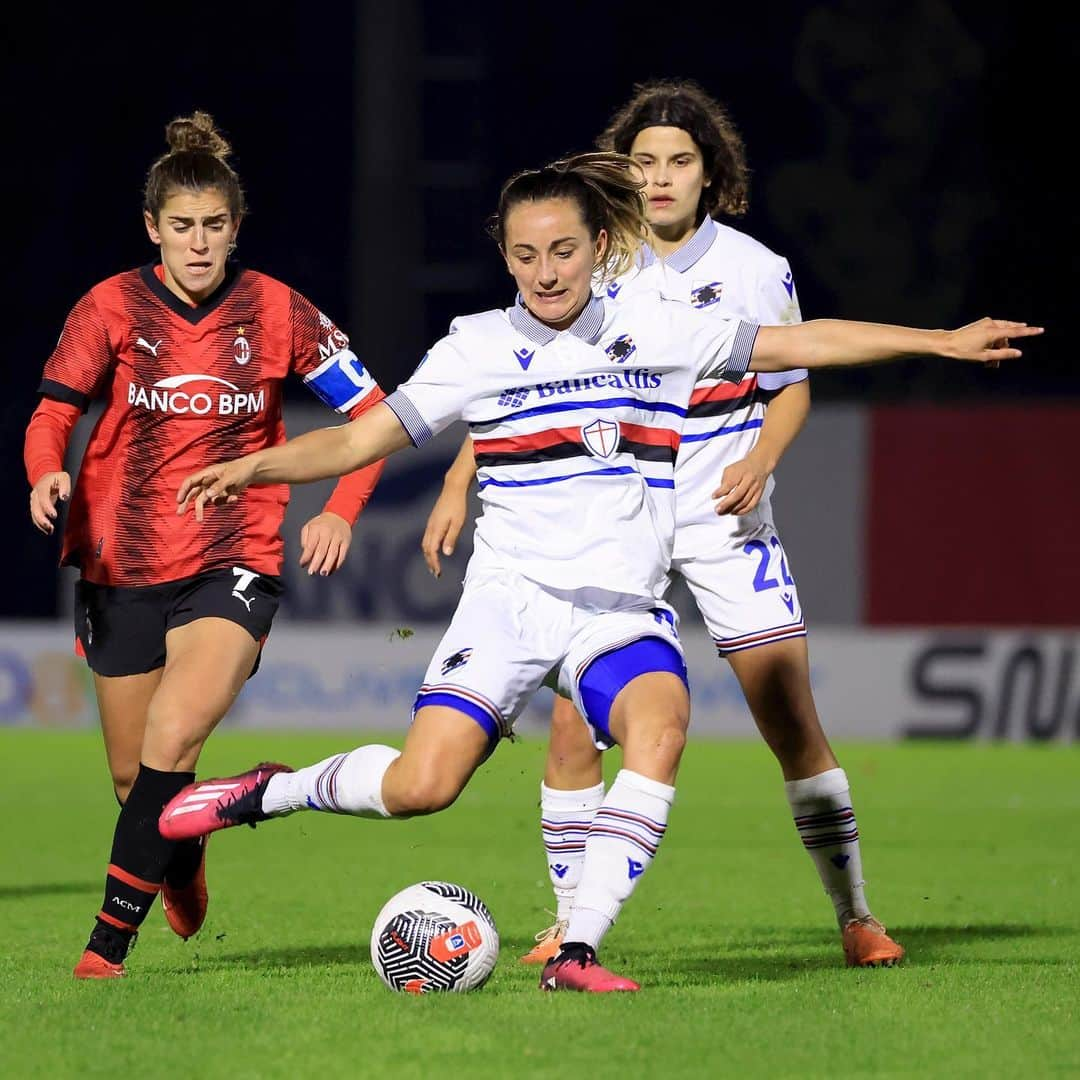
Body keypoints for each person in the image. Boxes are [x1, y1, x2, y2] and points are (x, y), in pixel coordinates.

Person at [157, 151, 1038, 993]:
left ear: (600, 248)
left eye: (564, 250)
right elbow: (357, 438)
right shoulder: (473, 348)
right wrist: (253, 467)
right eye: (526, 253)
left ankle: (577, 946)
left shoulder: (660, 330)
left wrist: (939, 342)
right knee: (421, 788)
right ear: (503, 253)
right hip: (509, 605)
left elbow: (801, 344)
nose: (546, 272)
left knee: (662, 726)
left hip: (616, 608)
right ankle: (270, 790)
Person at [422, 80, 899, 969]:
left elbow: (791, 382)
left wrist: (761, 458)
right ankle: (570, 922)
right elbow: (518, 387)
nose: (662, 177)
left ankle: (856, 914)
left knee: (787, 713)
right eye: (644, 162)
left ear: (710, 174)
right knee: (574, 728)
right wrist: (460, 477)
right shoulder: (593, 263)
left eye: (680, 161)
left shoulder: (754, 268)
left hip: (721, 514)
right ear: (623, 179)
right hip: (611, 516)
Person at [24, 111, 387, 979]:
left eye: (214, 226)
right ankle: (180, 863)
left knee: (176, 736)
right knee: (133, 782)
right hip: (121, 561)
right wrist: (45, 471)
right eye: (181, 227)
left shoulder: (277, 310)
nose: (198, 243)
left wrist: (338, 507)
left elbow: (377, 418)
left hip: (235, 555)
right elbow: (53, 412)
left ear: (236, 226)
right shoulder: (110, 306)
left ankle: (106, 946)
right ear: (153, 228)